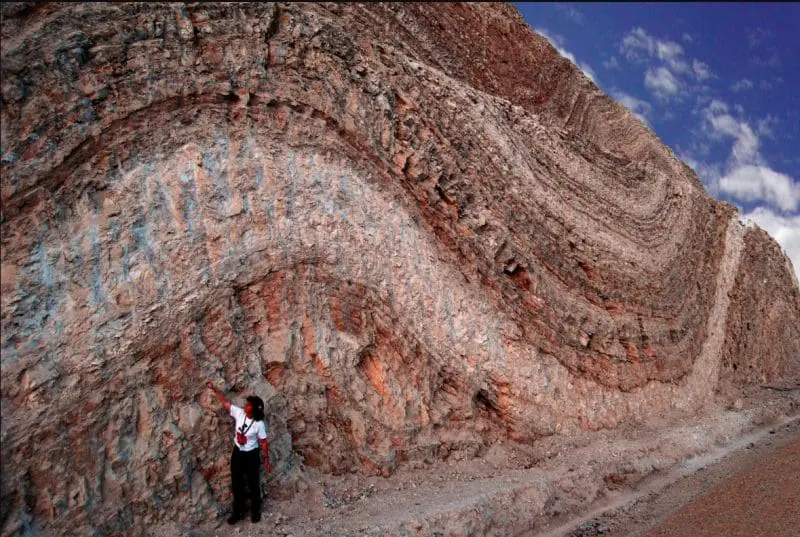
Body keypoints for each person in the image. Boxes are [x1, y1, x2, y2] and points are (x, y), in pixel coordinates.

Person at [206, 380, 272, 524]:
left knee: (254, 483)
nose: (245, 406)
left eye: (249, 405)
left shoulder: (259, 424)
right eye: (247, 404)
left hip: (251, 455)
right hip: (238, 453)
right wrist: (214, 389)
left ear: (253, 410)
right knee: (237, 484)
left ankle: (256, 512)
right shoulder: (239, 413)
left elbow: (263, 442)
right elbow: (225, 402)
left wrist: (266, 458)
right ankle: (238, 512)